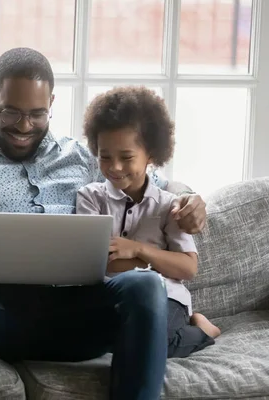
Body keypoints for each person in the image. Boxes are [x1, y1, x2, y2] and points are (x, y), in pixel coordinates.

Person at [0, 47, 208, 400]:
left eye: (38, 114)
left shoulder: (85, 157)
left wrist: (192, 199)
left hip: (78, 315)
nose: (25, 126)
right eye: (11, 112)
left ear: (52, 103)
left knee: (146, 285)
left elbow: (154, 186)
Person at [77, 86, 221, 359]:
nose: (115, 167)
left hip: (167, 299)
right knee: (104, 337)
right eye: (105, 156)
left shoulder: (169, 205)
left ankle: (203, 329)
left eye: (127, 157)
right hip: (112, 296)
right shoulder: (90, 198)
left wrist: (137, 250)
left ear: (151, 156)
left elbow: (187, 268)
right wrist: (161, 264)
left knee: (152, 341)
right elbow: (96, 262)